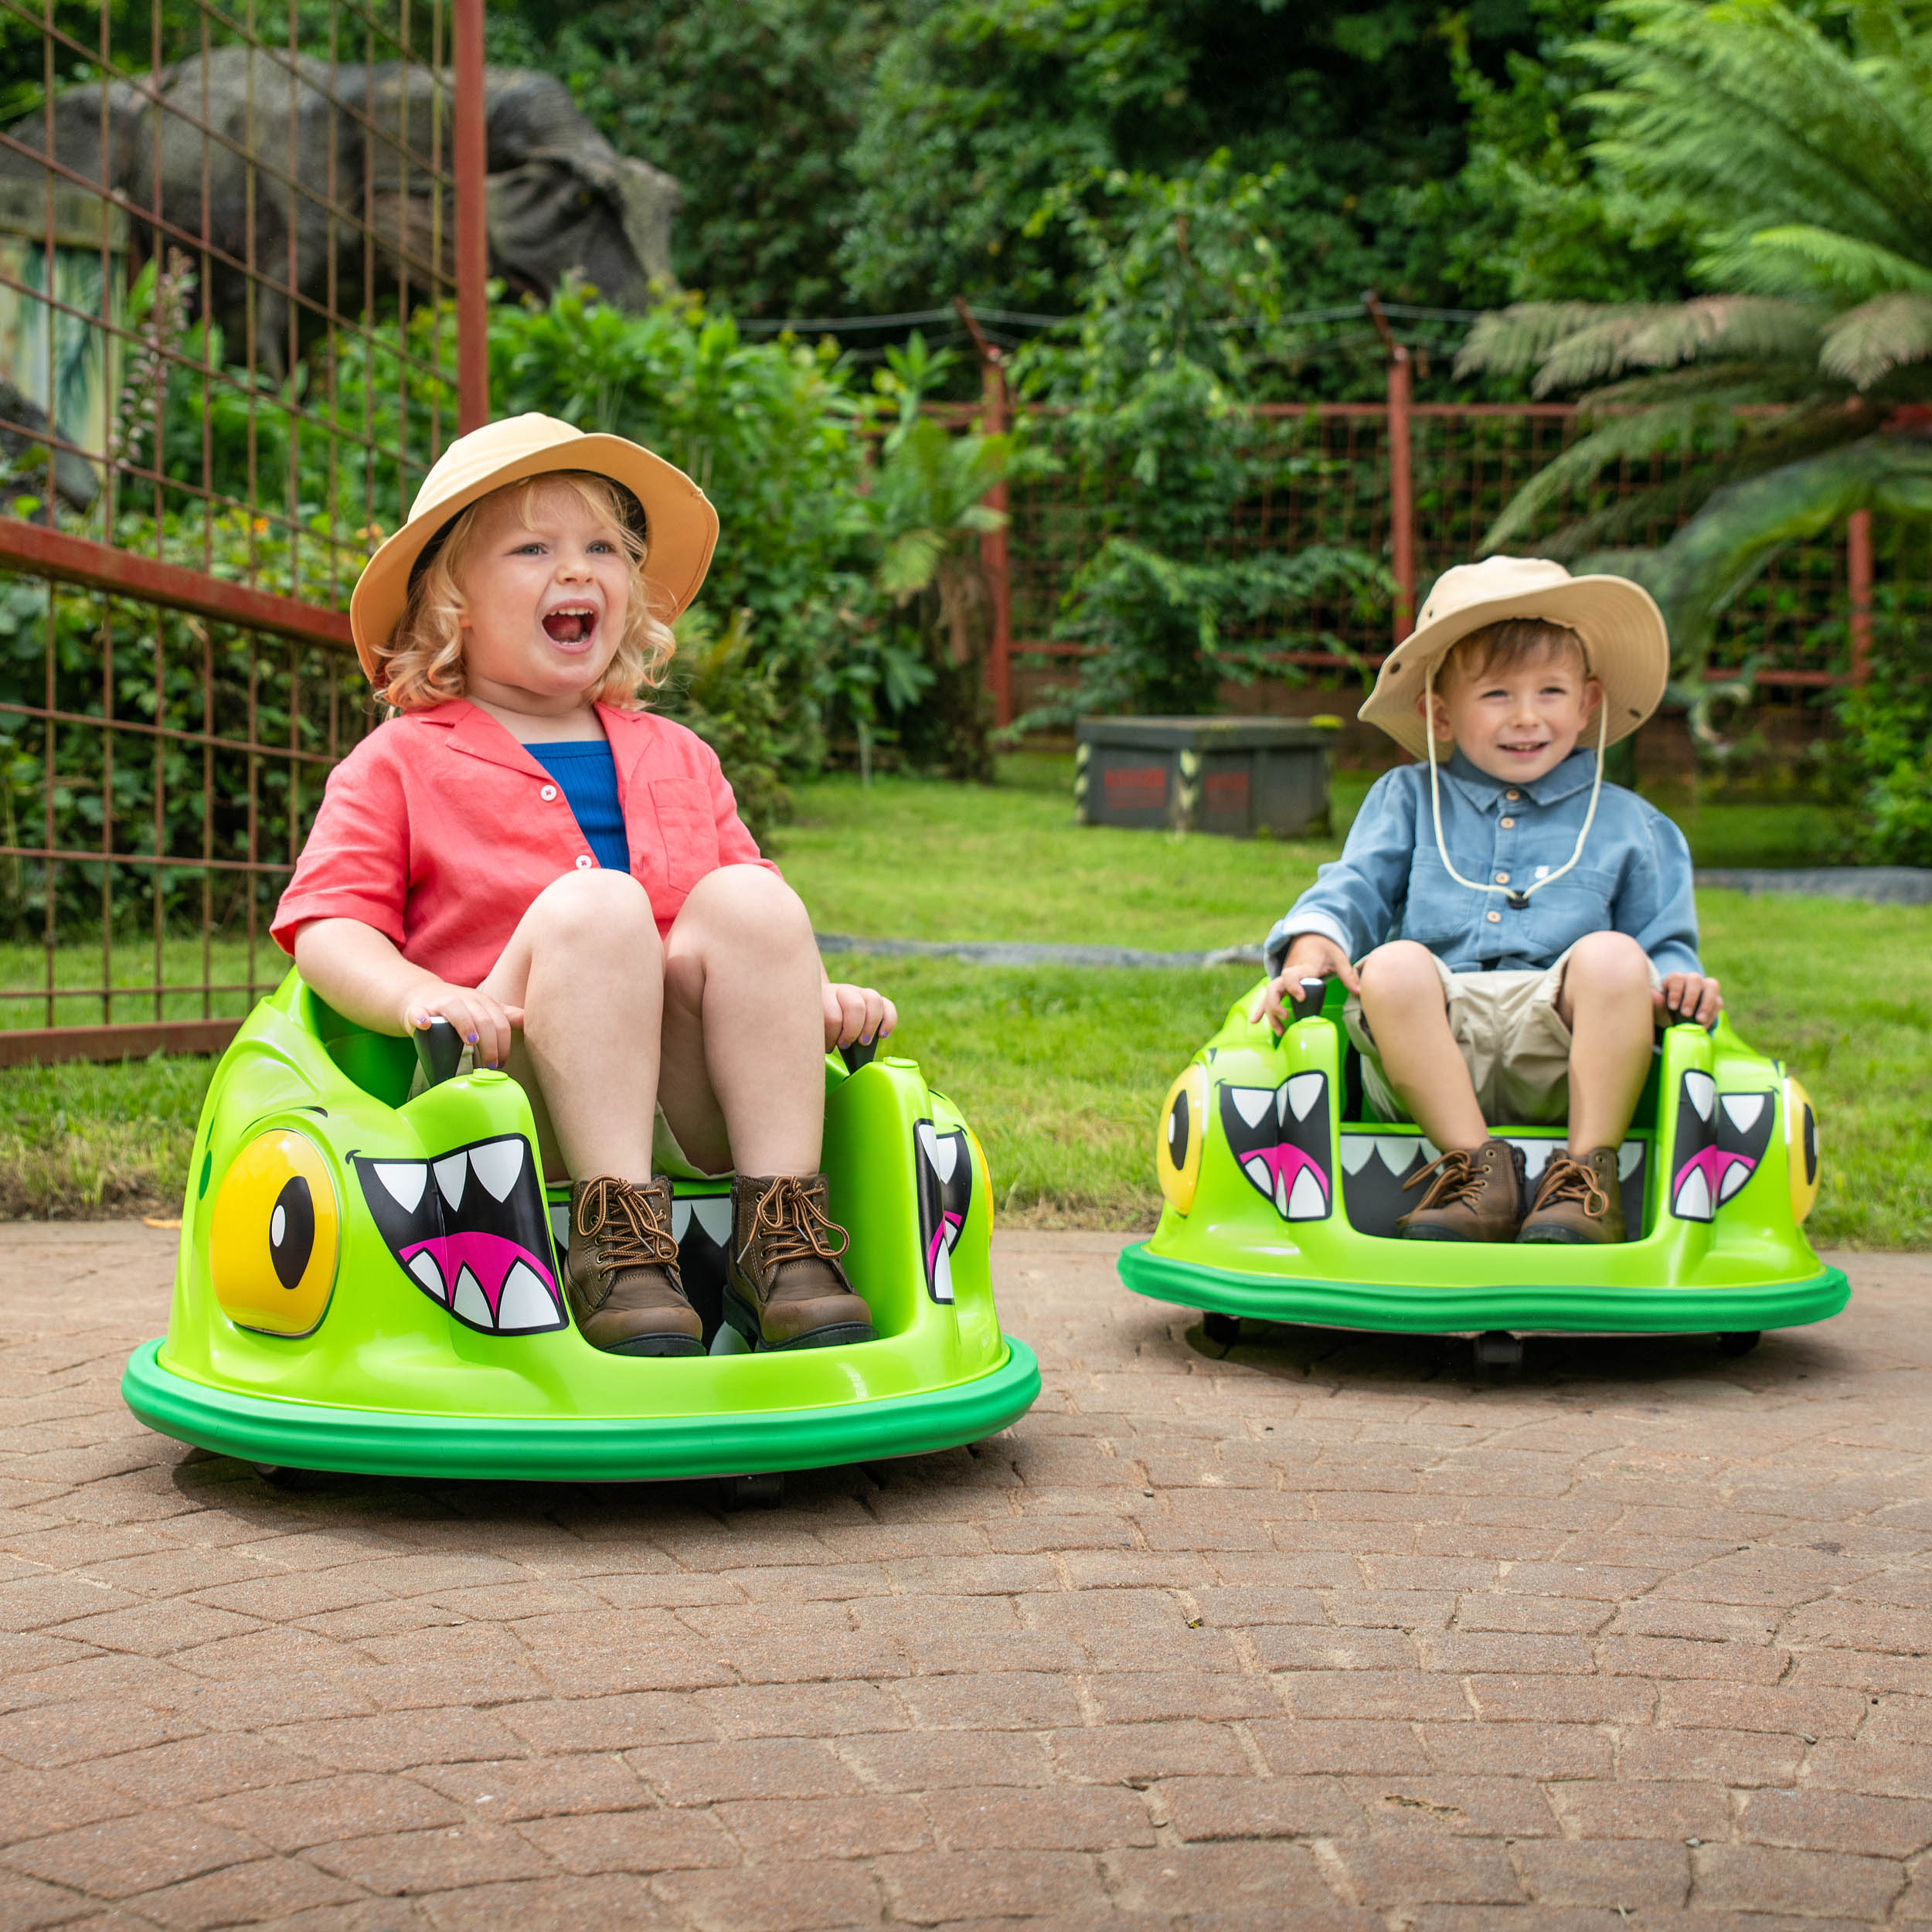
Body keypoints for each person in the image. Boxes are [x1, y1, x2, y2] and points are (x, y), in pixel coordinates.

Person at [272, 413, 895, 1357]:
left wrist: (811, 998)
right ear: (453, 605)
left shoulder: (679, 756)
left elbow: (748, 932)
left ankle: (782, 1238)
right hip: (513, 1099)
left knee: (751, 897)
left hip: (687, 1105)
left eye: (603, 546)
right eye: (533, 548)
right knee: (602, 904)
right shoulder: (398, 761)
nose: (577, 569)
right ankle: (614, 1246)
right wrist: (421, 997)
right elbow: (327, 924)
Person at [1250, 556, 1722, 1245]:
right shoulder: (1408, 799)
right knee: (1393, 964)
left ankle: (1585, 1180)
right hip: (1432, 1046)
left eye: (1552, 692)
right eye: (1497, 694)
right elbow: (1350, 889)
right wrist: (1313, 945)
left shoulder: (1635, 826)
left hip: (1569, 1051)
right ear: (1439, 713)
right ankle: (1474, 1174)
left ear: (1589, 703)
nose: (1527, 718)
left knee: (1616, 958)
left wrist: (1675, 980)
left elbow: (1664, 945)